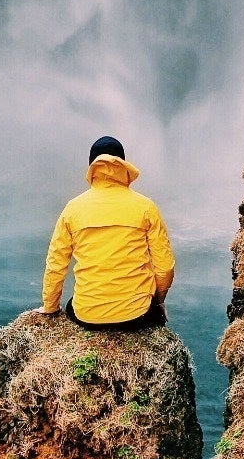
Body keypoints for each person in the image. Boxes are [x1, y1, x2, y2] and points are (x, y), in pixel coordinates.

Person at [38, 135, 175, 329]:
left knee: (73, 304)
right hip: (137, 315)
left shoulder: (72, 209)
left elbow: (56, 264)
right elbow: (165, 267)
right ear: (124, 164)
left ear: (91, 167)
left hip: (87, 315)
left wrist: (50, 307)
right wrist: (158, 300)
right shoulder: (146, 207)